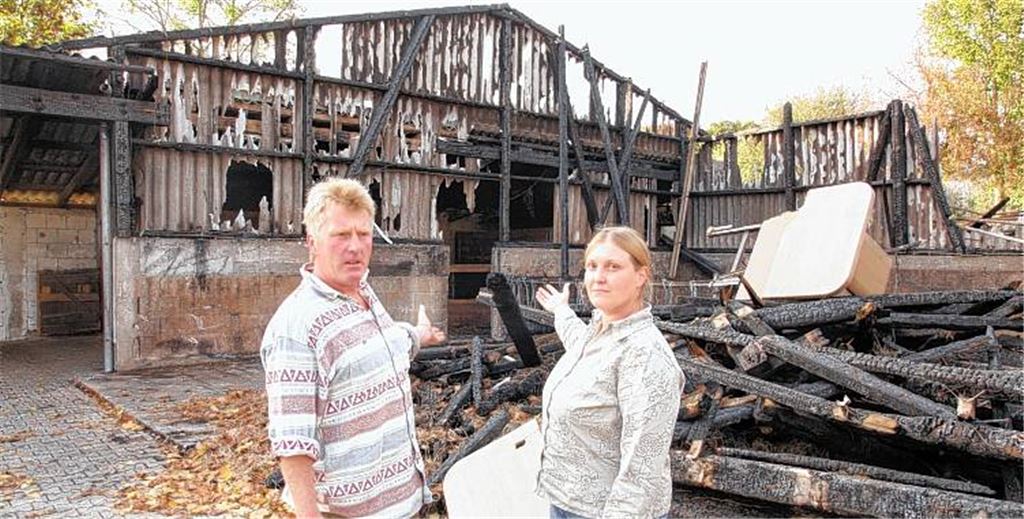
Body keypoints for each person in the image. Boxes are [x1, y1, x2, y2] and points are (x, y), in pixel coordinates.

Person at [261, 177, 445, 518]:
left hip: (403, 503)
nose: (355, 246)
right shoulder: (297, 329)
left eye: (363, 234)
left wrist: (420, 335)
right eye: (341, 235)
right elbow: (293, 447)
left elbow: (385, 346)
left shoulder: (364, 293)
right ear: (311, 241)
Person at [534, 226, 685, 519]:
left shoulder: (644, 355)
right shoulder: (600, 332)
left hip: (605, 511)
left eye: (613, 267)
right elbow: (578, 341)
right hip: (567, 499)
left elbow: (643, 464)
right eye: (592, 266)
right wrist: (561, 311)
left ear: (641, 276)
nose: (598, 277)